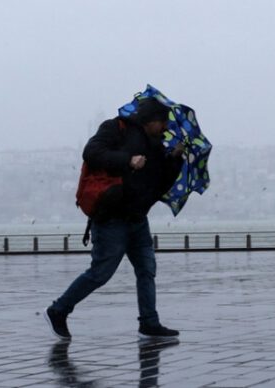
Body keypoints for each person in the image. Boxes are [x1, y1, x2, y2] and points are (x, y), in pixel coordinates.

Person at [44, 98, 184, 340]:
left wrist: (174, 159)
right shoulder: (115, 128)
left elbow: (160, 185)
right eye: (163, 122)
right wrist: (128, 160)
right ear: (150, 120)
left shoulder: (157, 146)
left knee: (146, 269)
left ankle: (149, 322)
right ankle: (59, 310)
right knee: (101, 272)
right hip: (111, 218)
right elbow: (91, 152)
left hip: (138, 219)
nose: (166, 128)